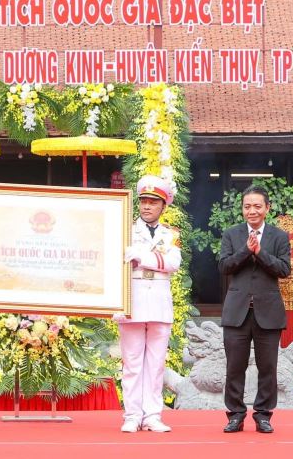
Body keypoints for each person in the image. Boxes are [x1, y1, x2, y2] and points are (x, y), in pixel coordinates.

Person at [219, 186, 291, 434]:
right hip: (237, 311)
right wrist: (245, 251)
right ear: (242, 209)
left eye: (257, 206)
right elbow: (224, 266)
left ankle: (263, 415)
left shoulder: (279, 236)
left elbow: (284, 270)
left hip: (268, 311)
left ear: (267, 208)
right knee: (234, 367)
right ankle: (236, 414)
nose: (252, 211)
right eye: (247, 206)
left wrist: (260, 253)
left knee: (268, 367)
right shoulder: (231, 234)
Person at [116, 175, 181, 433]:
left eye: (153, 202)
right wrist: (156, 259)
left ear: (163, 207)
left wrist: (141, 257)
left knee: (156, 364)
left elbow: (174, 263)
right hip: (133, 299)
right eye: (143, 201)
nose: (146, 206)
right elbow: (120, 259)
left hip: (160, 302)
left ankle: (152, 415)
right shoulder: (126, 230)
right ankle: (132, 414)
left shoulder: (171, 235)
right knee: (132, 363)